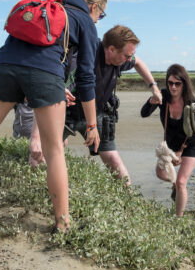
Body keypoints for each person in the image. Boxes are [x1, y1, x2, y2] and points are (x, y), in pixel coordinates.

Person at [0, 0, 107, 232]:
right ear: (94, 7)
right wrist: (91, 125)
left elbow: (24, 53)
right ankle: (63, 223)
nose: (98, 20)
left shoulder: (44, 6)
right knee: (54, 150)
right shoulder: (84, 20)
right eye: (101, 15)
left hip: (2, 67)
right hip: (44, 75)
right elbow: (86, 78)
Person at [49, 25, 162, 187]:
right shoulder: (86, 56)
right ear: (111, 49)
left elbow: (138, 62)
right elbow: (64, 76)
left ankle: (128, 198)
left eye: (131, 54)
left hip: (99, 113)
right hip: (68, 114)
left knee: (112, 158)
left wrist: (154, 87)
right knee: (49, 153)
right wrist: (62, 89)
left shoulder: (121, 60)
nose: (129, 59)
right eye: (126, 55)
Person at [141, 64, 195, 217]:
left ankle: (179, 218)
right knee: (160, 173)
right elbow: (144, 113)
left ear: (184, 84)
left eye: (177, 83)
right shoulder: (163, 96)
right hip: (171, 144)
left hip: (191, 144)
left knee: (182, 182)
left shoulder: (191, 101)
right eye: (170, 83)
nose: (173, 87)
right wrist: (152, 100)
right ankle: (175, 185)